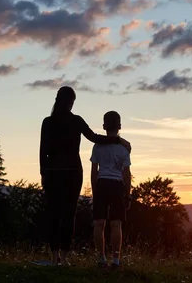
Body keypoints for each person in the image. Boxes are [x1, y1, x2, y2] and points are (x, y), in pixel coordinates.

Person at [39, 86, 131, 266]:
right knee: (68, 214)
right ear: (71, 102)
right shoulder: (76, 121)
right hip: (73, 172)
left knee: (53, 214)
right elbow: (95, 137)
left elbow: (42, 151)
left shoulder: (47, 122)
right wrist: (118, 139)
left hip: (53, 172)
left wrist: (43, 172)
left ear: (57, 100)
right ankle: (65, 259)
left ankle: (54, 256)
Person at [90, 110, 132, 268]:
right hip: (117, 186)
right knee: (116, 224)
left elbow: (94, 171)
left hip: (101, 184)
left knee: (99, 223)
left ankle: (101, 258)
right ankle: (115, 259)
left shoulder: (98, 146)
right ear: (120, 126)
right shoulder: (123, 149)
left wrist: (95, 190)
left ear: (103, 126)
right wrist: (127, 194)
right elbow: (127, 174)